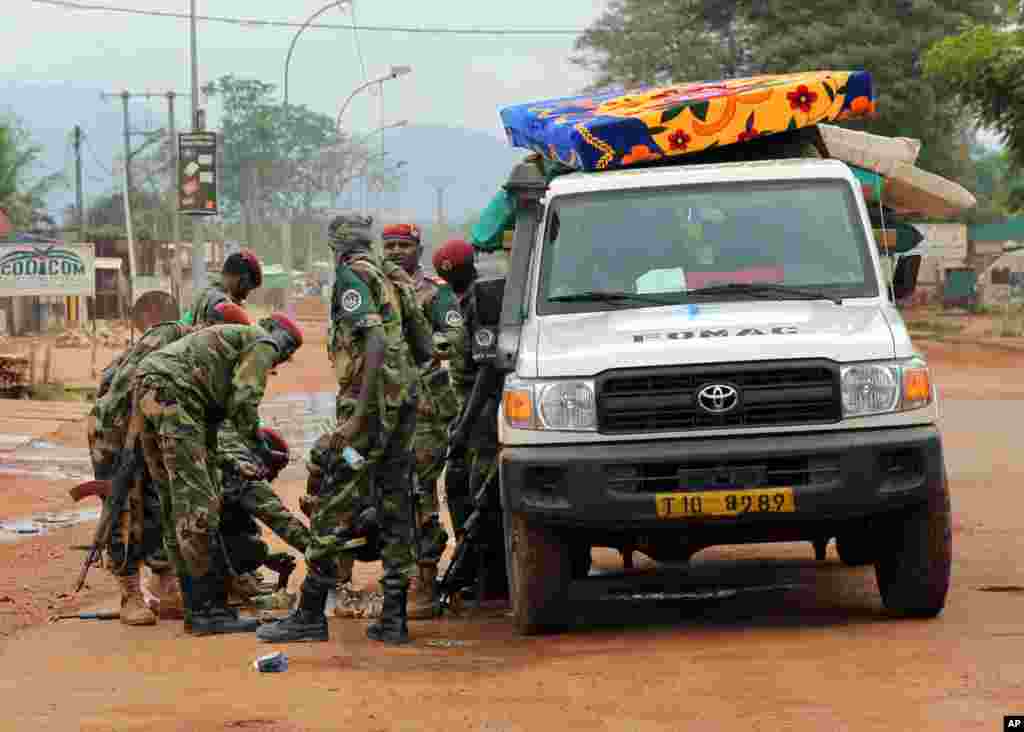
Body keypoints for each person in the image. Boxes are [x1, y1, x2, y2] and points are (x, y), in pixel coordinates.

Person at [257, 213, 433, 645]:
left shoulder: (351, 278)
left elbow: (373, 339)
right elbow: (425, 346)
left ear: (336, 247)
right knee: (395, 507)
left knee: (334, 501)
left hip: (368, 415)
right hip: (402, 410)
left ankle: (310, 613)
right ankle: (394, 617)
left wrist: (358, 417)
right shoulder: (392, 278)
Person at [134, 314, 303, 636]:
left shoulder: (221, 356)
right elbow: (245, 397)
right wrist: (258, 446)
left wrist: (233, 463)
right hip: (173, 394)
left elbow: (207, 434)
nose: (272, 366)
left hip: (152, 387)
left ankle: (197, 608)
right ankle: (207, 612)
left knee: (175, 506)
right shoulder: (262, 342)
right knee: (199, 510)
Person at [87, 303, 252, 626]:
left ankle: (165, 583)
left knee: (162, 502)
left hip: (154, 426)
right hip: (116, 429)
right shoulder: (168, 334)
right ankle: (129, 594)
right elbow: (125, 386)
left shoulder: (201, 357)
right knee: (125, 508)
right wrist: (130, 446)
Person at [382, 223, 463, 619]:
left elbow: (456, 334)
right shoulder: (374, 291)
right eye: (390, 246)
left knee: (420, 489)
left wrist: (422, 350)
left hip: (426, 408)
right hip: (383, 406)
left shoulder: (434, 291)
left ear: (418, 249)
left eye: (404, 246)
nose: (396, 252)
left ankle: (424, 577)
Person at [432, 239, 509, 606]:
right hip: (469, 414)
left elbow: (486, 369)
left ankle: (493, 579)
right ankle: (477, 572)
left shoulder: (481, 300)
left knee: (483, 496)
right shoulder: (465, 301)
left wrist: (464, 425)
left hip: (482, 416)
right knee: (463, 487)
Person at [216, 424, 310, 603]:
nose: (273, 479)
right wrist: (320, 551)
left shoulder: (231, 436)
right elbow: (278, 518)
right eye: (273, 471)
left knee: (239, 514)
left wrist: (265, 559)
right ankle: (218, 585)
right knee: (249, 542)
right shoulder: (244, 466)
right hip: (185, 535)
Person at [187, 249, 263, 326]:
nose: (245, 296)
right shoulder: (223, 305)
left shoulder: (204, 294)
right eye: (246, 288)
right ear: (240, 279)